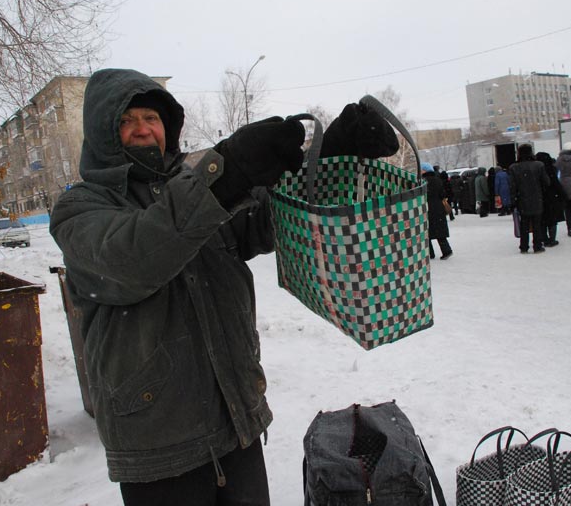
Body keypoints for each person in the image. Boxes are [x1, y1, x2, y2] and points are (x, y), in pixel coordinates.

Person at [49, 68, 398, 506]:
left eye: (151, 118)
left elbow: (271, 223)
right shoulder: (80, 207)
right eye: (127, 120)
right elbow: (134, 259)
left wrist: (330, 161)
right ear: (103, 132)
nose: (142, 129)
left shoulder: (189, 187)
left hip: (236, 418)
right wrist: (226, 172)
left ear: (167, 127)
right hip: (159, 440)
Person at [509, 143, 549, 253]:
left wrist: (513, 201)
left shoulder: (514, 168)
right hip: (537, 198)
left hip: (522, 199)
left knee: (524, 224)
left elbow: (512, 186)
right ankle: (537, 245)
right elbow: (546, 182)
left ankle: (524, 246)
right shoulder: (539, 165)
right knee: (537, 223)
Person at [421, 162, 453, 259]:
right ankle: (447, 250)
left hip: (427, 208)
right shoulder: (438, 180)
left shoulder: (422, 182)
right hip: (439, 208)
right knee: (440, 232)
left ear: (424, 170)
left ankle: (430, 253)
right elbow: (442, 194)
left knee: (426, 232)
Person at [535, 152, 565, 247]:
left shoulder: (536, 169)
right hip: (551, 197)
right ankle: (552, 239)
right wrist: (562, 195)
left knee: (542, 220)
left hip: (539, 197)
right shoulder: (551, 169)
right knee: (552, 219)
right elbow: (556, 183)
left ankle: (544, 238)